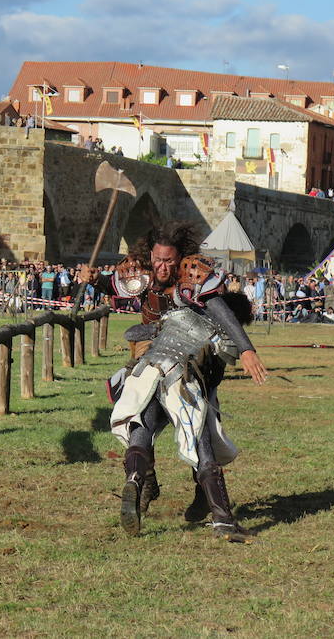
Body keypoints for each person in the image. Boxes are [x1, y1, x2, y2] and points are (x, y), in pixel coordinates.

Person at [82, 223, 267, 542]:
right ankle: (215, 516)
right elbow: (114, 287)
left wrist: (247, 348)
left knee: (151, 419)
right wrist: (94, 280)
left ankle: (143, 480)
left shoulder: (190, 277)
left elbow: (220, 311)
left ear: (180, 258)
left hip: (174, 360)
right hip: (161, 362)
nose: (162, 267)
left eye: (169, 260)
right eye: (157, 260)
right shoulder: (140, 274)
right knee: (188, 426)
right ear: (149, 256)